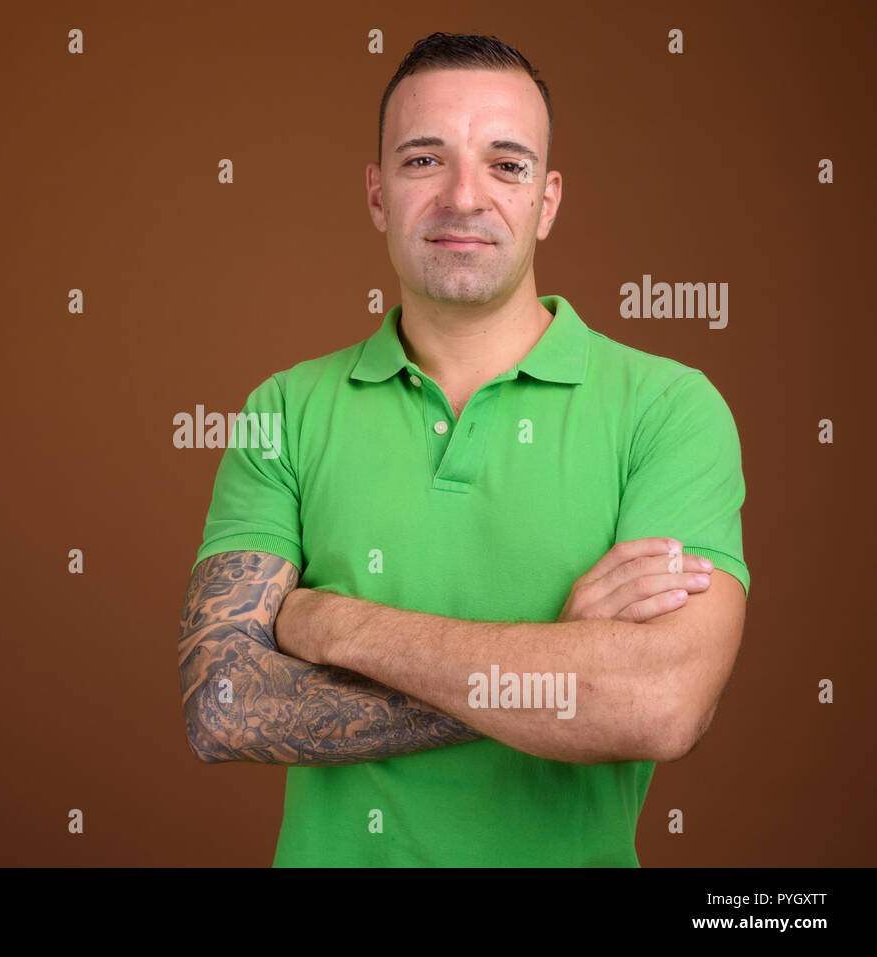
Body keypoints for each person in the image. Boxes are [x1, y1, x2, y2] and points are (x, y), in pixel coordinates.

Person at [178, 32, 749, 867]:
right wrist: (557, 662)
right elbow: (222, 704)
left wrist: (328, 621)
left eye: (506, 164)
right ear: (377, 194)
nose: (463, 197)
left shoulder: (669, 409)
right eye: (423, 160)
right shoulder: (284, 411)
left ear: (547, 201)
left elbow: (659, 702)